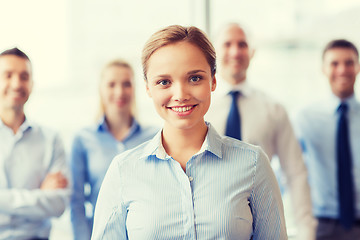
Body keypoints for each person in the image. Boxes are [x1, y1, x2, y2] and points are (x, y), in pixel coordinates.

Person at [91, 25, 287, 240]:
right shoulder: (123, 171)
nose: (180, 95)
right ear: (148, 88)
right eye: (164, 82)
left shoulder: (253, 164)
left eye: (194, 78)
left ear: (213, 80)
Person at [205, 22, 315, 239]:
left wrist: (306, 232)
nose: (235, 52)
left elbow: (295, 174)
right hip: (211, 225)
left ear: (252, 52)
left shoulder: (273, 109)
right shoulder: (200, 108)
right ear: (215, 52)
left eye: (242, 44)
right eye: (228, 44)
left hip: (262, 226)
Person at [70, 59, 158, 240]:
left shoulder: (155, 137)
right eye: (111, 84)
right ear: (101, 89)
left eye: (126, 84)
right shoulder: (83, 139)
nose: (119, 92)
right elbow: (75, 202)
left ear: (135, 88)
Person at [0, 47, 70, 239]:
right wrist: (39, 196)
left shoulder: (51, 139)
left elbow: (59, 204)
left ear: (32, 84)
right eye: (8, 75)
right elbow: (48, 202)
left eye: (24, 76)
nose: (16, 83)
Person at [294, 39, 360, 239]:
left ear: (357, 67)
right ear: (323, 69)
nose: (342, 70)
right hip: (322, 225)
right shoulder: (305, 118)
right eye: (334, 63)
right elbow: (290, 172)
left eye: (349, 63)